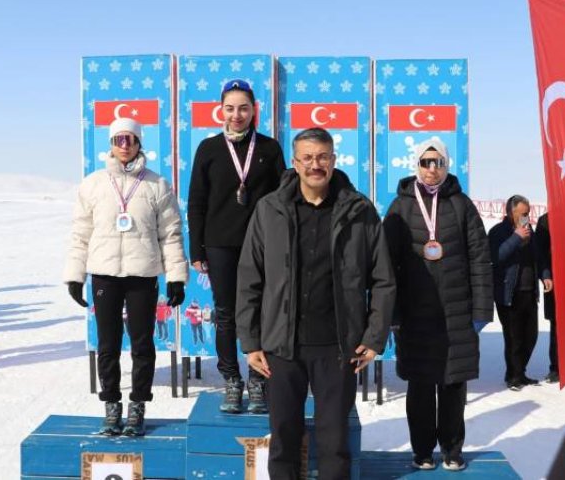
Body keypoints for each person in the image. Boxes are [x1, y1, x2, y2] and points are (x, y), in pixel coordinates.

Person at [236, 127, 395, 479]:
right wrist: (251, 342)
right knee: (283, 440)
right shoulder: (269, 210)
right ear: (294, 163)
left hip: (338, 346)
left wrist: (373, 337)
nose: (315, 165)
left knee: (334, 441)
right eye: (307, 158)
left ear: (334, 160)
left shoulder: (360, 211)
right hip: (282, 345)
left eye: (322, 156)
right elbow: (249, 278)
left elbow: (383, 280)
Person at [64, 117, 188, 436]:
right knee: (107, 344)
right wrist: (75, 276)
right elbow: (80, 234)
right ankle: (111, 405)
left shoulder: (157, 185)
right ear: (110, 143)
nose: (124, 145)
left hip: (142, 274)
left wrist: (175, 276)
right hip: (105, 275)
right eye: (118, 139)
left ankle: (137, 406)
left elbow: (171, 234)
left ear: (139, 143)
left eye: (130, 139)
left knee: (142, 343)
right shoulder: (93, 184)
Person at [384, 138, 493, 471]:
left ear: (446, 166)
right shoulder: (400, 207)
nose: (432, 169)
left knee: (452, 384)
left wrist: (480, 311)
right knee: (420, 385)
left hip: (456, 312)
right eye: (426, 162)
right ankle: (421, 450)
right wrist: (392, 313)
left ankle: (452, 448)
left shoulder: (461, 205)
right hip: (416, 314)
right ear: (416, 165)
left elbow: (479, 259)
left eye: (439, 163)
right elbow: (386, 264)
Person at [188, 79, 286, 413]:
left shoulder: (270, 149)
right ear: (221, 110)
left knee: (262, 311)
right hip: (219, 245)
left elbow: (283, 199)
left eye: (243, 107)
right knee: (226, 313)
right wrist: (197, 250)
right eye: (230, 108)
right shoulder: (209, 148)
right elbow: (197, 202)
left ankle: (259, 379)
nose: (237, 114)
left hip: (262, 244)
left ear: (254, 109)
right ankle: (231, 379)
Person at [489, 195, 550, 391]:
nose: (527, 217)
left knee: (530, 336)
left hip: (529, 291)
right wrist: (516, 237)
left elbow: (539, 257)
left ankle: (520, 372)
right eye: (523, 213)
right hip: (509, 292)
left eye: (528, 213)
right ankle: (514, 376)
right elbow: (496, 257)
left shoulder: (530, 232)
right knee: (513, 337)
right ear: (511, 212)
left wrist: (546, 275)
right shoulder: (498, 231)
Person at [535, 212, 560, 383]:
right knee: (556, 325)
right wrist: (546, 276)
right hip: (555, 281)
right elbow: (540, 254)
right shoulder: (545, 220)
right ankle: (556, 367)